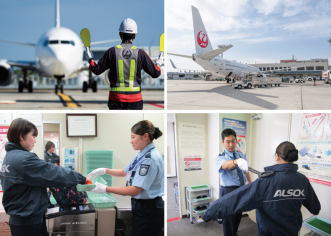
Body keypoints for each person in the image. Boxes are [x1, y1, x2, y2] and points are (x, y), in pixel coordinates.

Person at [202, 141, 321, 236]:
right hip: (293, 231)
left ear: (277, 156)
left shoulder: (265, 182)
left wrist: (208, 213)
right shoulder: (302, 180)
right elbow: (315, 208)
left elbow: (234, 200)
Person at [0, 118, 91, 236]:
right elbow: (55, 173)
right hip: (30, 224)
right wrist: (82, 178)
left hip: (18, 219)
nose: (35, 141)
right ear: (22, 136)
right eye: (33, 136)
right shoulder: (25, 160)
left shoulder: (10, 157)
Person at [88, 120, 164, 236]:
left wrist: (106, 189)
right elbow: (124, 172)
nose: (131, 141)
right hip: (142, 207)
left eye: (133, 137)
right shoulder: (142, 154)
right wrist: (104, 170)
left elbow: (135, 189)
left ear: (145, 136)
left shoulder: (149, 159)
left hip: (149, 209)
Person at [85, 18, 164, 110]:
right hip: (135, 100)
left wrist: (90, 58)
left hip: (115, 100)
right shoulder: (141, 53)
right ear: (134, 35)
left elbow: (96, 70)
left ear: (120, 33)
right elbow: (155, 73)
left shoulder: (112, 51)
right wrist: (159, 63)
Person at [215, 128, 251, 236]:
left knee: (238, 215)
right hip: (229, 190)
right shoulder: (221, 157)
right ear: (223, 142)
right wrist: (236, 162)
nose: (231, 144)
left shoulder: (241, 155)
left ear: (236, 140)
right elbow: (225, 165)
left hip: (241, 188)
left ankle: (234, 233)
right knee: (228, 218)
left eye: (233, 141)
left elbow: (246, 170)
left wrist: (250, 182)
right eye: (228, 141)